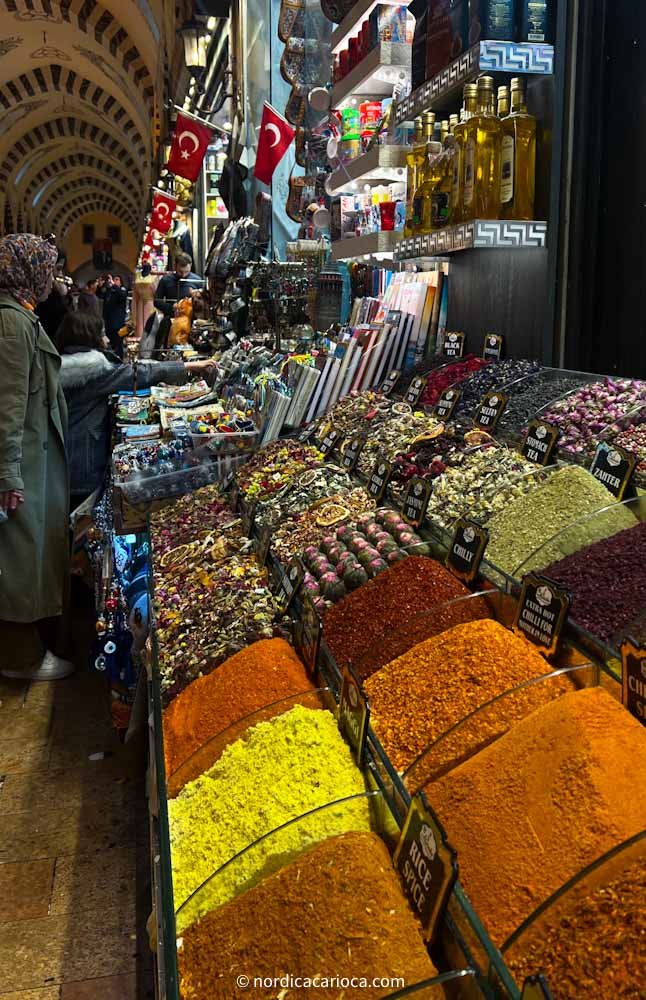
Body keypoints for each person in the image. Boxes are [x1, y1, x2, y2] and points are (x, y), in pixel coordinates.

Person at [0, 233, 72, 681]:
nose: (52, 277)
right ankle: (18, 657)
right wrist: (8, 473)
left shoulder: (20, 316)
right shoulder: (11, 324)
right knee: (18, 562)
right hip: (21, 464)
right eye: (46, 267)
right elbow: (7, 405)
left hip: (29, 459)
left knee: (26, 557)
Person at [56, 311, 215, 507]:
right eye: (101, 333)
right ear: (89, 336)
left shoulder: (59, 363)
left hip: (62, 455)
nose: (105, 338)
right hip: (83, 461)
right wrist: (188, 366)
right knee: (80, 514)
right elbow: (136, 373)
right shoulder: (92, 369)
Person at [154, 252, 202, 318]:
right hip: (171, 318)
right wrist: (171, 308)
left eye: (186, 272)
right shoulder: (166, 280)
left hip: (191, 318)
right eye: (180, 272)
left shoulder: (197, 280)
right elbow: (157, 301)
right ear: (175, 266)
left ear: (190, 265)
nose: (183, 275)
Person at [103, 274, 128, 358]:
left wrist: (114, 285)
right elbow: (102, 296)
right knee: (111, 338)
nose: (114, 281)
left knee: (118, 341)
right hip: (108, 320)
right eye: (114, 279)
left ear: (121, 282)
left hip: (118, 321)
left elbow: (122, 295)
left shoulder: (122, 290)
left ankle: (120, 358)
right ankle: (113, 355)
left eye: (117, 279)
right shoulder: (110, 290)